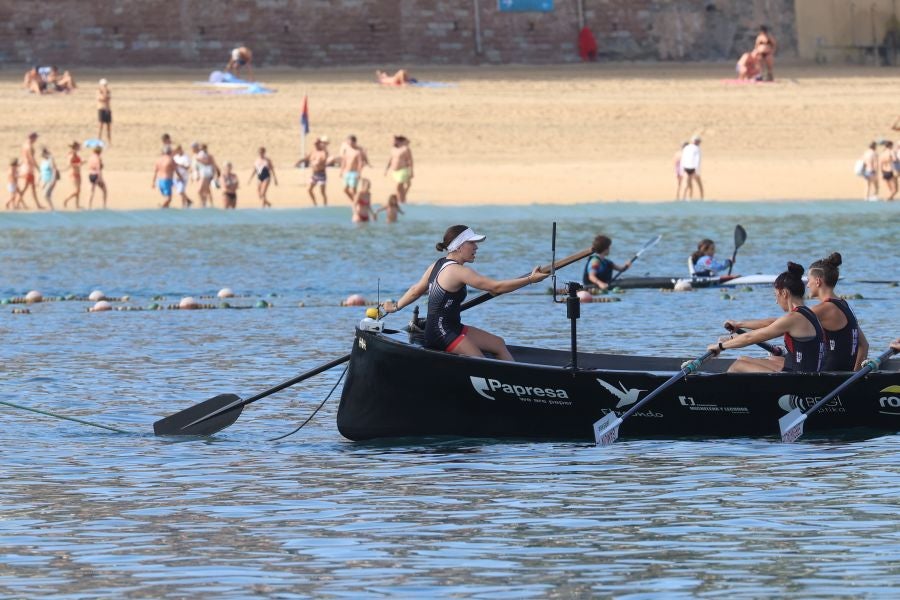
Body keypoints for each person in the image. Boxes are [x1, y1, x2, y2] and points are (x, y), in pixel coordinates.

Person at [383, 225, 550, 360]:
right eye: (472, 243)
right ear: (459, 246)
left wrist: (395, 306)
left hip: (451, 327)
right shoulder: (458, 271)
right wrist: (530, 280)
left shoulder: (437, 265)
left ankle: (516, 382)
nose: (476, 247)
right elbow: (496, 287)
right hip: (441, 332)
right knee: (481, 363)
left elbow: (415, 291)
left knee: (498, 344)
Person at [710, 262, 825, 373]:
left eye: (776, 295)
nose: (776, 301)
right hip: (804, 369)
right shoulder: (806, 313)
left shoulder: (793, 318)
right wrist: (739, 324)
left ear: (784, 293)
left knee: (737, 366)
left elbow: (750, 338)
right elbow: (771, 323)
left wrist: (721, 346)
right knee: (744, 359)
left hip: (801, 379)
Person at [806, 253, 869, 371]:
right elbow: (864, 345)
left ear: (818, 281)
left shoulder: (823, 309)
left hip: (827, 376)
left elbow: (786, 324)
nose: (807, 285)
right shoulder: (844, 304)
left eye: (809, 280)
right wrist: (854, 375)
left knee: (763, 364)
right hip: (842, 377)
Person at [297, 136, 334, 206]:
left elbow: (324, 158)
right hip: (314, 174)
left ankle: (325, 205)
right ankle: (315, 204)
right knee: (309, 190)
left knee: (322, 192)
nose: (315, 145)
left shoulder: (323, 152)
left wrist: (318, 161)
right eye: (315, 144)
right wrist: (299, 161)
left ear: (320, 144)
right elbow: (306, 158)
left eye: (317, 143)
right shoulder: (313, 151)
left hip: (321, 174)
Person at [340, 135, 369, 202]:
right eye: (348, 142)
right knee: (345, 189)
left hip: (354, 173)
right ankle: (356, 201)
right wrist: (341, 171)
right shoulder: (346, 150)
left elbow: (360, 163)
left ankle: (357, 203)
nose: (349, 143)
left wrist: (359, 173)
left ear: (354, 142)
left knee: (353, 190)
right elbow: (344, 161)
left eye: (351, 142)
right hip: (346, 172)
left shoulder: (357, 152)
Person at [385, 135, 413, 203]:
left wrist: (411, 171)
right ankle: (402, 200)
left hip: (403, 170)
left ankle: (399, 200)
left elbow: (410, 160)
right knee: (400, 188)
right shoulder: (393, 149)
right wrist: (386, 169)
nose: (392, 142)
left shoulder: (405, 149)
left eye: (394, 141)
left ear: (398, 141)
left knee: (398, 186)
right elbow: (390, 159)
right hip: (395, 171)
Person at [20, 132, 44, 210]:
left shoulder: (24, 145)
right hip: (28, 168)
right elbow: (31, 158)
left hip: (25, 167)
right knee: (26, 187)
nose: (36, 140)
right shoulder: (29, 146)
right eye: (35, 138)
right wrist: (38, 168)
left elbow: (23, 157)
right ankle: (16, 202)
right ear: (32, 138)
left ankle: (37, 204)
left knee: (31, 187)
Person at [196, 143, 220, 208]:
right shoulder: (201, 155)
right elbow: (198, 166)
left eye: (202, 148)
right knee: (206, 190)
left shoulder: (209, 156)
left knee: (201, 190)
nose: (201, 150)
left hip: (207, 174)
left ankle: (203, 203)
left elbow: (211, 164)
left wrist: (215, 175)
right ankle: (207, 203)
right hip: (203, 174)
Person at [680, 136, 703, 200]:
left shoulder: (686, 148)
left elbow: (683, 159)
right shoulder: (697, 148)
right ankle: (701, 199)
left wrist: (682, 170)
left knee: (687, 185)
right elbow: (697, 160)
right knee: (699, 185)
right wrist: (697, 171)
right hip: (693, 169)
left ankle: (683, 199)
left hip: (686, 168)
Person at [96, 79, 112, 144]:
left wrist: (106, 93)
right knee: (100, 127)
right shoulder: (98, 91)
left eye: (106, 85)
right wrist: (105, 93)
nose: (105, 86)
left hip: (107, 110)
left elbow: (108, 98)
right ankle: (98, 141)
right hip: (101, 109)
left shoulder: (108, 91)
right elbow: (102, 99)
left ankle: (109, 141)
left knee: (108, 128)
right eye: (104, 85)